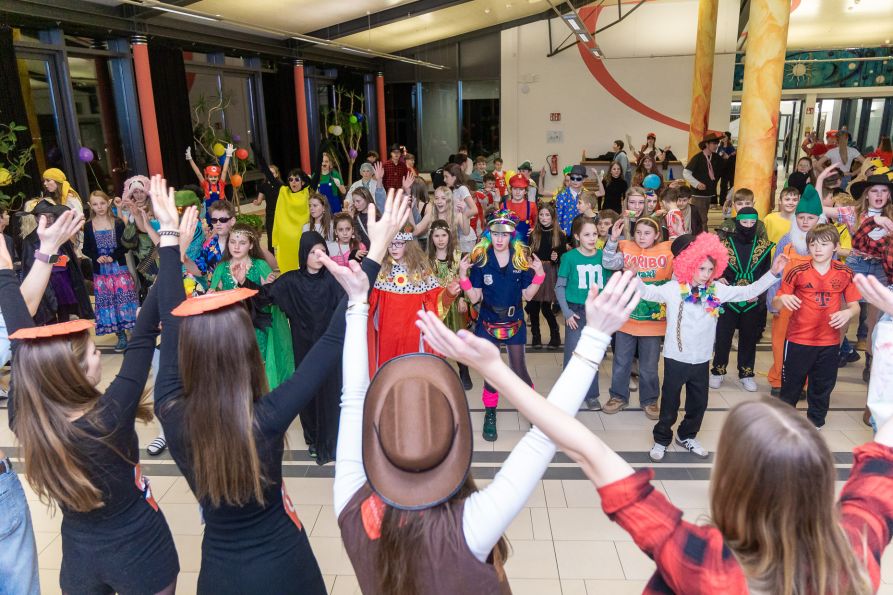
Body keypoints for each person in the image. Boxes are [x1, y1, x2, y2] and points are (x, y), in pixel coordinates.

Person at [467, 338, 893, 595]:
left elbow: (586, 450)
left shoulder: (706, 564)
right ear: (820, 481)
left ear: (732, 483)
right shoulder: (857, 548)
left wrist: (494, 371)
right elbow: (883, 459)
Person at [153, 177, 403, 594]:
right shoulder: (266, 417)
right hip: (288, 567)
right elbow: (331, 342)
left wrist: (168, 242)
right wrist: (373, 256)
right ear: (247, 353)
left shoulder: (172, 410)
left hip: (219, 575)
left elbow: (169, 316)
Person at [336, 260, 640, 595]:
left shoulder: (352, 506)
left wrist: (356, 302)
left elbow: (352, 399)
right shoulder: (470, 527)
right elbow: (544, 436)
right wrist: (596, 336)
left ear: (379, 443)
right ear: (457, 442)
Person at [2, 207, 180, 595]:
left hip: (80, 563)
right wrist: (169, 244)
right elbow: (147, 331)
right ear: (79, 372)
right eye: (94, 353)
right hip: (141, 553)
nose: (101, 355)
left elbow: (20, 336)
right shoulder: (110, 415)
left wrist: (36, 257)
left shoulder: (27, 417)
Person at [640, 232, 786, 461]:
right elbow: (648, 291)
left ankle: (687, 435)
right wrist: (631, 276)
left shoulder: (716, 291)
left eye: (710, 270)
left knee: (699, 403)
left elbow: (747, 291)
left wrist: (773, 273)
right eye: (701, 269)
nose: (706, 274)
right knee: (669, 402)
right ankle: (661, 439)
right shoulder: (673, 289)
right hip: (676, 356)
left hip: (701, 358)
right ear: (688, 266)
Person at [245, 232, 346, 464]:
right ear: (304, 254)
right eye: (312, 252)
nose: (318, 256)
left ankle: (332, 439)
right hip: (304, 346)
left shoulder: (334, 280)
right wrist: (244, 284)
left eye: (322, 251)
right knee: (308, 390)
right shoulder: (291, 281)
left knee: (331, 390)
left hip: (330, 346)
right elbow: (264, 296)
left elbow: (348, 306)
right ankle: (312, 437)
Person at [459, 209, 545, 441]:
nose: (499, 239)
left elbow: (527, 294)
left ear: (511, 236)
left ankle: (534, 412)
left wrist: (539, 275)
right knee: (491, 371)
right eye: (495, 234)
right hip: (487, 323)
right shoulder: (482, 260)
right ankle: (490, 414)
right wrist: (463, 276)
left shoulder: (520, 260)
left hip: (515, 321)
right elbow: (475, 297)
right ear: (489, 234)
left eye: (504, 235)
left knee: (519, 370)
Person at [774, 224, 861, 429]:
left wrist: (848, 312)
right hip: (798, 339)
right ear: (808, 247)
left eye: (824, 244)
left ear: (836, 247)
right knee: (791, 386)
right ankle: (784, 424)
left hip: (829, 341)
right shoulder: (796, 270)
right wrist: (784, 298)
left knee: (822, 386)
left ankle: (816, 423)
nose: (818, 249)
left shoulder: (845, 272)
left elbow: (855, 306)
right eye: (813, 245)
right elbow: (777, 302)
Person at [601, 217, 673, 418]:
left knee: (649, 366)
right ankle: (618, 396)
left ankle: (650, 401)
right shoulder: (626, 248)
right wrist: (613, 239)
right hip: (626, 318)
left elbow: (680, 273)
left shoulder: (667, 253)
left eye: (647, 233)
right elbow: (607, 262)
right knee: (621, 361)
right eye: (639, 232)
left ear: (657, 235)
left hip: (653, 321)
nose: (642, 237)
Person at [210, 223, 294, 389]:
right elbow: (214, 294)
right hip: (231, 326)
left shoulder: (260, 265)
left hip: (256, 325)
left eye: (242, 243)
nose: (236, 246)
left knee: (257, 365)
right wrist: (211, 292)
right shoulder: (221, 268)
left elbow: (269, 295)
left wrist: (261, 285)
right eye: (233, 241)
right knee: (236, 366)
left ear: (251, 245)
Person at [367, 232, 459, 374]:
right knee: (389, 372)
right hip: (387, 334)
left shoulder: (422, 269)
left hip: (413, 333)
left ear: (408, 244)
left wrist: (449, 293)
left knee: (413, 371)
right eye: (390, 244)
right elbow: (370, 301)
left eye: (399, 243)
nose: (394, 248)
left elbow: (434, 298)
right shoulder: (381, 269)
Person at [766, 185, 825, 396]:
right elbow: (775, 273)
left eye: (810, 217)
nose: (805, 221)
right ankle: (778, 380)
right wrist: (773, 301)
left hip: (814, 305)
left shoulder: (826, 243)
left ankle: (804, 382)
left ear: (819, 219)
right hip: (786, 300)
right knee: (780, 341)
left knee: (809, 346)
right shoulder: (786, 240)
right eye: (801, 217)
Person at [710, 207, 777, 392]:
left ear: (757, 223)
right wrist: (717, 277)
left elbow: (766, 272)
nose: (748, 226)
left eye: (752, 223)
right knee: (723, 336)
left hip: (752, 300)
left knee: (749, 338)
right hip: (728, 297)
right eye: (744, 222)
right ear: (737, 222)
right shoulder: (724, 244)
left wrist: (759, 292)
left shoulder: (764, 246)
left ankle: (746, 374)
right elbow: (714, 266)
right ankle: (717, 371)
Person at [556, 217, 616, 410]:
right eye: (587, 235)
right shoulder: (569, 258)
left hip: (596, 312)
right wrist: (566, 312)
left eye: (594, 234)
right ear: (577, 236)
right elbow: (560, 287)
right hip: (576, 311)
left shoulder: (603, 257)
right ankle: (568, 394)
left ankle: (591, 395)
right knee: (573, 354)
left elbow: (608, 287)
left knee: (593, 354)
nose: (592, 238)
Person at [20, 199, 94, 325]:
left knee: (66, 315)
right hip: (46, 284)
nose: (48, 220)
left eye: (51, 216)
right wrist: (57, 260)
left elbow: (70, 260)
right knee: (50, 318)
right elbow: (30, 265)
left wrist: (63, 260)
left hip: (64, 281)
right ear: (37, 219)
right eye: (44, 217)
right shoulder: (30, 240)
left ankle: (68, 342)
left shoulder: (61, 236)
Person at [84, 191, 139, 352]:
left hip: (119, 268)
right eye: (95, 204)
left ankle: (135, 332)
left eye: (102, 203)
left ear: (108, 203)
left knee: (125, 299)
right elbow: (86, 248)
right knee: (110, 303)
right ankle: (120, 335)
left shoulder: (117, 223)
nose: (99, 207)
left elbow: (124, 245)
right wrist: (97, 257)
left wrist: (113, 256)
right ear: (90, 206)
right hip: (102, 272)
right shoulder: (88, 226)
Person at [427, 220, 473, 389]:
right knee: (437, 341)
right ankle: (439, 373)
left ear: (449, 236)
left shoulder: (458, 257)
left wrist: (463, 298)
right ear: (431, 238)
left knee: (458, 340)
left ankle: (464, 370)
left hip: (455, 307)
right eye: (437, 236)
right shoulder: (428, 260)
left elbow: (466, 280)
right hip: (436, 307)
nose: (440, 239)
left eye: (444, 235)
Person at [526, 204, 566, 350]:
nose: (544, 218)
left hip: (549, 272)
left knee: (546, 308)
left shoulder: (559, 235)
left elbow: (562, 257)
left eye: (547, 215)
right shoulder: (533, 234)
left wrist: (556, 258)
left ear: (553, 217)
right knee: (534, 306)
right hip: (535, 271)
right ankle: (536, 336)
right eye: (541, 215)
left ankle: (555, 334)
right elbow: (529, 253)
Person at [683, 131, 725, 231]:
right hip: (698, 194)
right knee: (702, 219)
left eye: (717, 144)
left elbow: (721, 172)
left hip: (708, 194)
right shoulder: (698, 158)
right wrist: (697, 184)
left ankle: (700, 238)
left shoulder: (717, 158)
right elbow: (686, 173)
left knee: (703, 217)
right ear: (707, 144)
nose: (716, 146)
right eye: (714, 143)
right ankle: (703, 240)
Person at [272, 168, 311, 273]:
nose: (293, 182)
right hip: (286, 241)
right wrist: (258, 155)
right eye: (290, 179)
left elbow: (316, 175)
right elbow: (269, 176)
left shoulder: (307, 192)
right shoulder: (284, 191)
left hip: (302, 238)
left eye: (297, 179)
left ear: (302, 182)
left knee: (304, 267)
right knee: (288, 270)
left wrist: (321, 152)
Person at [186, 144, 233, 221]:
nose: (213, 178)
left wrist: (228, 156)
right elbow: (198, 173)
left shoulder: (221, 183)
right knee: (210, 225)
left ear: (218, 177)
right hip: (209, 211)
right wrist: (190, 159)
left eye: (215, 176)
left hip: (221, 209)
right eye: (211, 176)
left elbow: (224, 171)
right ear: (207, 177)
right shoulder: (205, 184)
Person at [764, 186, 800, 257]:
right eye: (787, 199)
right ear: (780, 201)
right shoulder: (769, 219)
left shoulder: (801, 221)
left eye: (794, 200)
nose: (791, 202)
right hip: (771, 260)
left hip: (793, 261)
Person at [501, 174, 538, 240]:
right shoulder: (504, 205)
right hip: (509, 243)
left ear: (525, 191)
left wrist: (534, 229)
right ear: (511, 190)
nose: (517, 192)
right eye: (515, 189)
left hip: (526, 242)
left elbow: (536, 222)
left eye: (521, 189)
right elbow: (500, 225)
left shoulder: (531, 205)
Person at [555, 164, 589, 235]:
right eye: (572, 178)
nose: (575, 181)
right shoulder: (562, 196)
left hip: (582, 234)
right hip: (565, 235)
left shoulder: (586, 196)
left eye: (578, 179)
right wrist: (560, 234)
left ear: (584, 180)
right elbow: (557, 217)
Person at [718, 131, 737, 200]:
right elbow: (718, 157)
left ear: (728, 137)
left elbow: (733, 160)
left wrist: (728, 157)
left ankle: (731, 201)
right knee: (723, 185)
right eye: (722, 136)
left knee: (732, 185)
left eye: (724, 136)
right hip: (722, 169)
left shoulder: (731, 147)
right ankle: (722, 202)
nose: (723, 138)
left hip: (730, 169)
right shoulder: (720, 147)